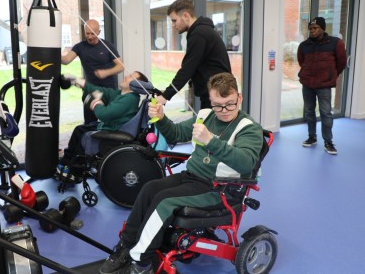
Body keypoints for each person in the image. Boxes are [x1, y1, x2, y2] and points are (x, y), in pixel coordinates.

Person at [99, 72, 263, 274]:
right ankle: (125, 246)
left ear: (240, 97)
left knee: (164, 201)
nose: (224, 110)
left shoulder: (250, 129)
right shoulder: (205, 115)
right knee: (150, 188)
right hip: (192, 178)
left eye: (230, 104)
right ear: (210, 100)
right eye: (217, 105)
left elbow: (246, 164)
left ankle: (141, 262)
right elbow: (175, 133)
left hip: (219, 189)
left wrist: (211, 140)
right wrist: (160, 117)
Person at [58, 71, 149, 177]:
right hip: (111, 126)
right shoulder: (122, 94)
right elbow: (103, 92)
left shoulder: (130, 99)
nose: (126, 76)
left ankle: (72, 169)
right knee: (80, 129)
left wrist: (96, 103)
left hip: (114, 129)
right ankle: (66, 162)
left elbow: (105, 114)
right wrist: (78, 81)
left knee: (80, 131)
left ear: (136, 85)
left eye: (130, 77)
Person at [156, 0, 231, 110]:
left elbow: (187, 69)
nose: (173, 25)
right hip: (215, 92)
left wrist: (165, 96)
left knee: (207, 127)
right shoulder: (201, 31)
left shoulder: (199, 34)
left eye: (174, 20)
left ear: (186, 16)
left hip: (217, 95)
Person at [297, 17, 346, 155]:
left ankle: (328, 141)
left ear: (323, 28)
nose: (312, 31)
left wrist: (330, 76)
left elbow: (341, 63)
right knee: (309, 112)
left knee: (326, 113)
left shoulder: (335, 43)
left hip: (324, 85)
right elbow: (302, 62)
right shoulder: (304, 46)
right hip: (307, 84)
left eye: (315, 28)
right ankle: (312, 137)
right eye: (310, 28)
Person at [62, 19, 125, 124]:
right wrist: (51, 52)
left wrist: (106, 72)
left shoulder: (107, 46)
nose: (90, 36)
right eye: (87, 33)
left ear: (99, 32)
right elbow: (66, 60)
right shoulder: (79, 47)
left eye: (93, 33)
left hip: (108, 91)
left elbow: (121, 66)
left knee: (111, 122)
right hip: (90, 90)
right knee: (90, 123)